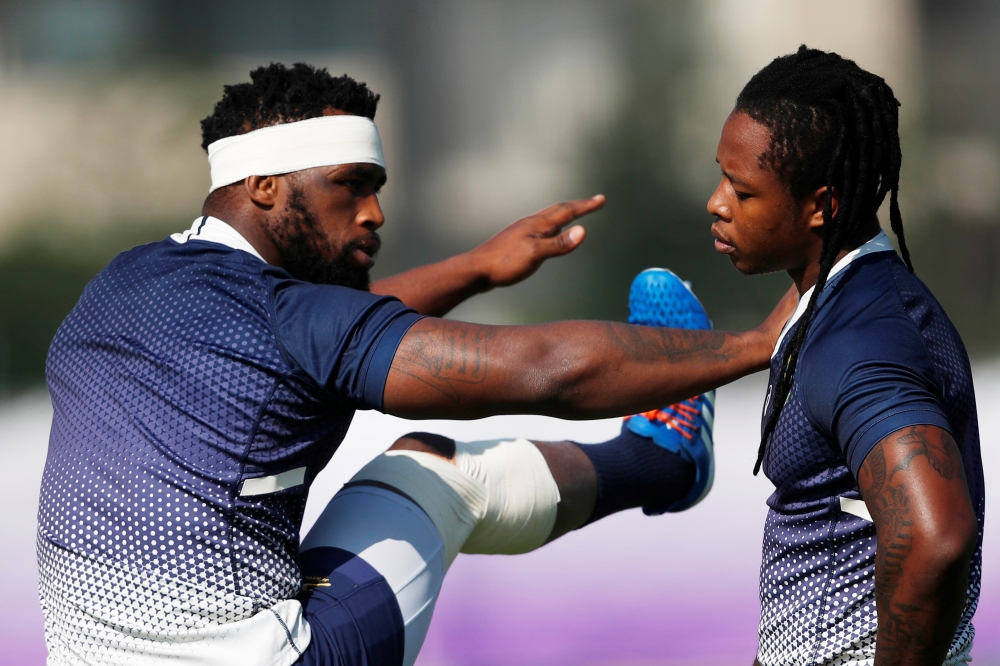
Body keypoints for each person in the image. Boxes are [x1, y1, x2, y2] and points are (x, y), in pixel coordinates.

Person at [37, 62, 793, 666]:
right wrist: (755, 346)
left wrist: (477, 269)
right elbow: (543, 370)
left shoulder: (123, 284)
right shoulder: (292, 320)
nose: (375, 214)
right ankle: (663, 459)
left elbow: (321, 334)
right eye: (350, 186)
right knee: (428, 467)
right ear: (264, 186)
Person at [706, 46, 984, 666]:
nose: (717, 203)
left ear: (821, 206)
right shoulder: (843, 302)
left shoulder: (858, 341)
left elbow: (936, 538)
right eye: (722, 176)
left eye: (743, 191)